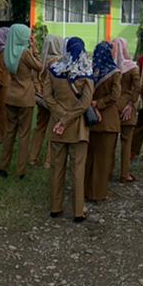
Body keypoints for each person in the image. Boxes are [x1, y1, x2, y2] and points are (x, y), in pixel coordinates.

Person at [48, 37, 94, 222]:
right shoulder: (86, 72)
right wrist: (68, 118)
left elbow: (47, 97)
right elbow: (85, 103)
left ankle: (55, 207)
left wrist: (60, 116)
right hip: (77, 129)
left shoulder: (54, 70)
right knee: (78, 170)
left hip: (57, 127)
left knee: (57, 169)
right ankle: (77, 211)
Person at [0, 23, 37, 179]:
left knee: (9, 133)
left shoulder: (8, 51)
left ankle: (3, 166)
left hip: (11, 95)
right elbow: (39, 67)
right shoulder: (25, 53)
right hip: (25, 97)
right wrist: (35, 49)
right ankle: (20, 170)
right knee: (24, 135)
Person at [85, 41, 121, 202]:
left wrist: (93, 103)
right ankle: (98, 193)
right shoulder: (114, 72)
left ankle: (86, 190)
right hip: (108, 120)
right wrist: (100, 103)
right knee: (103, 159)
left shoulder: (90, 71)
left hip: (91, 119)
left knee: (90, 158)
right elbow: (115, 96)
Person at [30, 34, 64, 168]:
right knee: (52, 130)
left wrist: (39, 90)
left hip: (41, 99)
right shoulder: (58, 62)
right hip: (53, 100)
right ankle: (49, 161)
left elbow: (35, 77)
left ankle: (32, 157)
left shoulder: (42, 61)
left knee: (40, 127)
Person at [114, 38, 141, 183]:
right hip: (127, 107)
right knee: (126, 142)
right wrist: (132, 104)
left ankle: (107, 170)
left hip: (112, 107)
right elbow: (137, 87)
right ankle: (125, 173)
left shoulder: (110, 67)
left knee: (110, 142)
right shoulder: (132, 68)